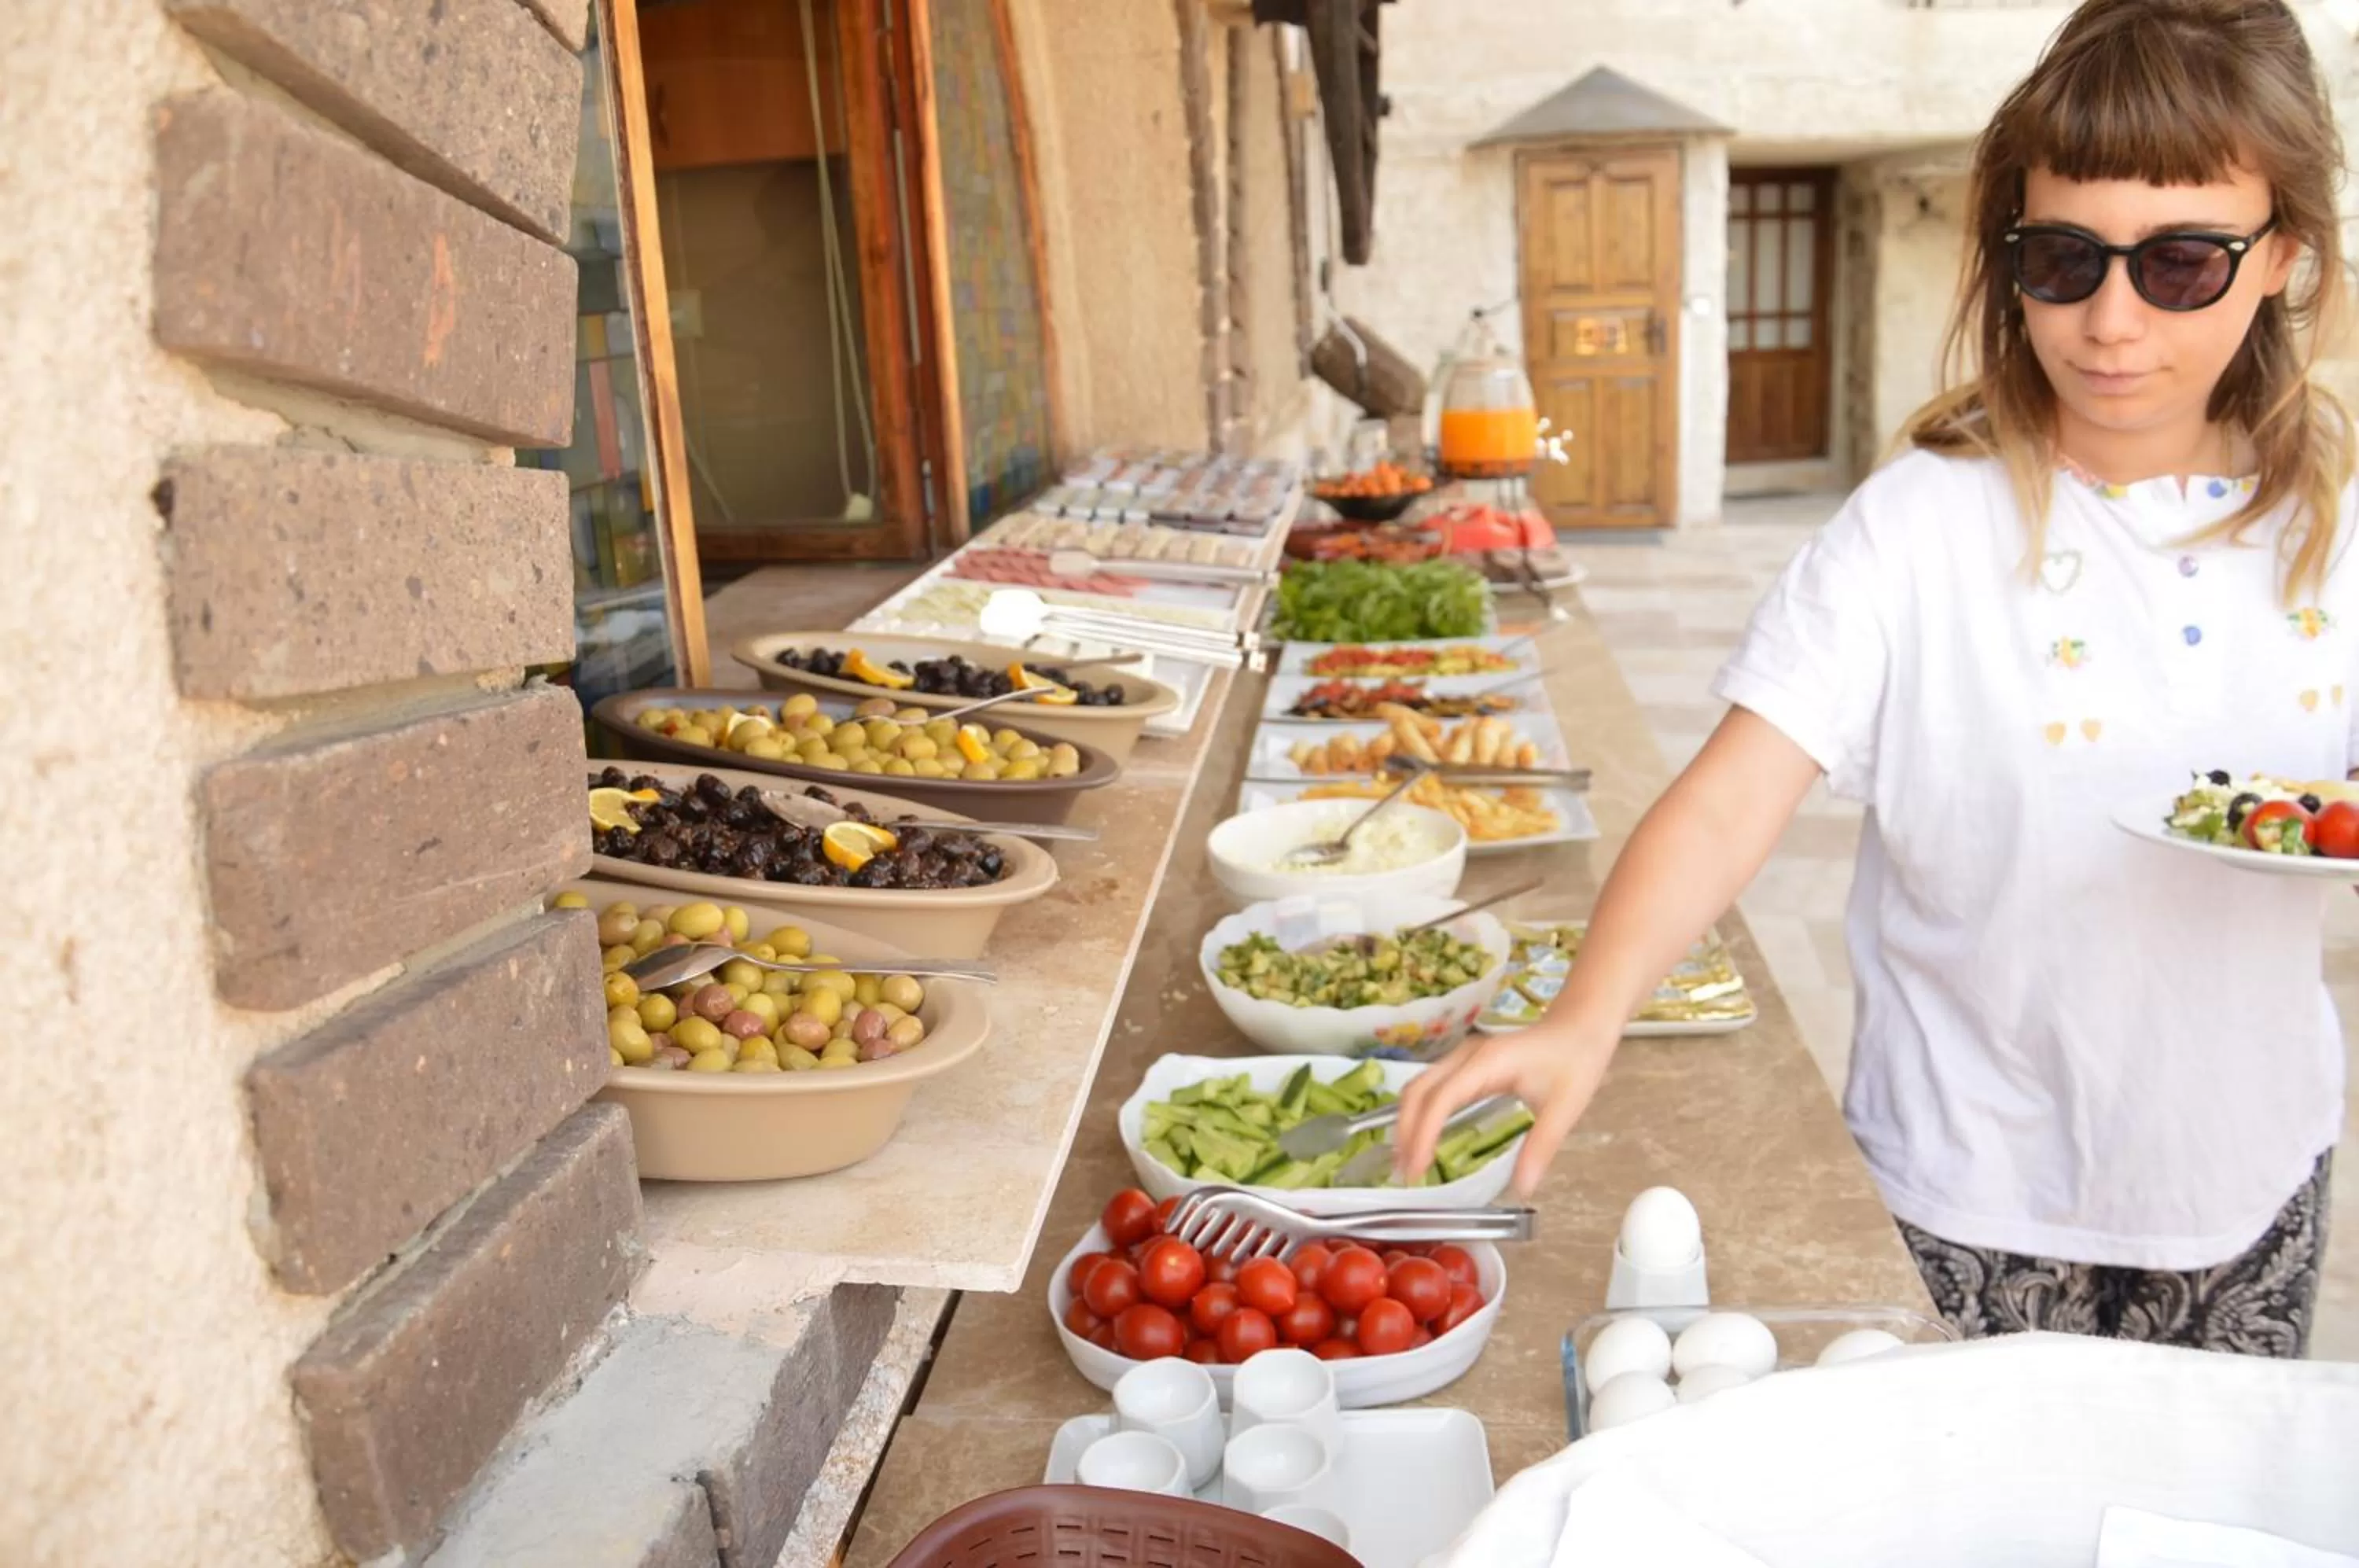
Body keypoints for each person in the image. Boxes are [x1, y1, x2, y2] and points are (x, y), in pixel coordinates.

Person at [1396, 0, 2353, 1357]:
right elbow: (1732, 799)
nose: (2112, 321)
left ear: (2282, 257)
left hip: (2249, 1172)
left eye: (2182, 263)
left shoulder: (2335, 528)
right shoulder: (1920, 528)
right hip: (1971, 1180)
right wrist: (1583, 1020)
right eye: (2062, 259)